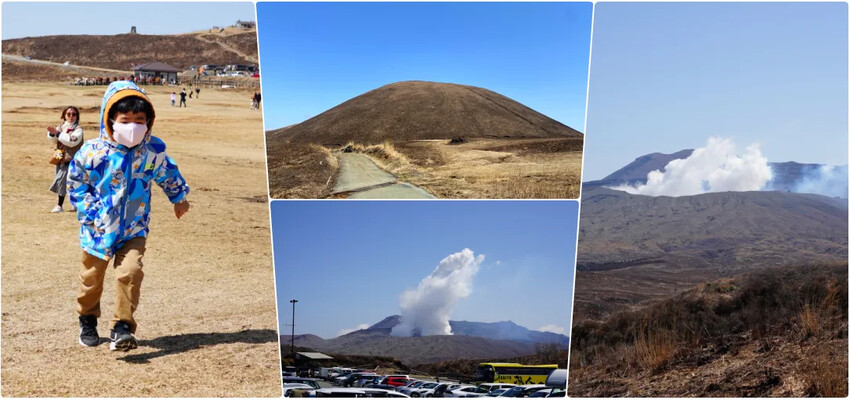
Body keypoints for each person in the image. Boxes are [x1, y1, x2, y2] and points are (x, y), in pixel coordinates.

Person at [68, 81, 190, 351]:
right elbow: (76, 184)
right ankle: (87, 318)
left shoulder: (152, 151)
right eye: (126, 119)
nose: (133, 125)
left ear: (149, 121)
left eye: (140, 120)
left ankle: (122, 327)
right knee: (91, 278)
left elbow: (167, 173)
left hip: (135, 226)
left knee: (131, 272)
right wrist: (90, 215)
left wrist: (179, 197)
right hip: (97, 229)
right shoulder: (92, 152)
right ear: (110, 119)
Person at [46, 106, 84, 212]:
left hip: (73, 160)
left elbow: (72, 142)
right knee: (68, 182)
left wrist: (57, 133)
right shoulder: (61, 127)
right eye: (68, 114)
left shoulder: (78, 129)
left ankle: (59, 205)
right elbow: (53, 140)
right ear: (64, 116)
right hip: (60, 158)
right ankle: (75, 204)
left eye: (74, 114)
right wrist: (52, 133)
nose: (71, 116)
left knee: (62, 181)